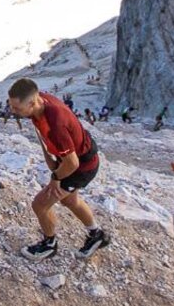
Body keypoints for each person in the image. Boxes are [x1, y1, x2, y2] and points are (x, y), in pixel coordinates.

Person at [8, 78, 111, 260]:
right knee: (70, 201)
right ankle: (97, 235)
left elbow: (72, 163)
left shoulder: (56, 122)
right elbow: (43, 136)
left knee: (40, 204)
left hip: (81, 166)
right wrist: (51, 161)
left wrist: (55, 177)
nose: (12, 111)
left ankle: (49, 245)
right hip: (75, 159)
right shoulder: (39, 105)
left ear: (32, 102)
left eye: (16, 108)